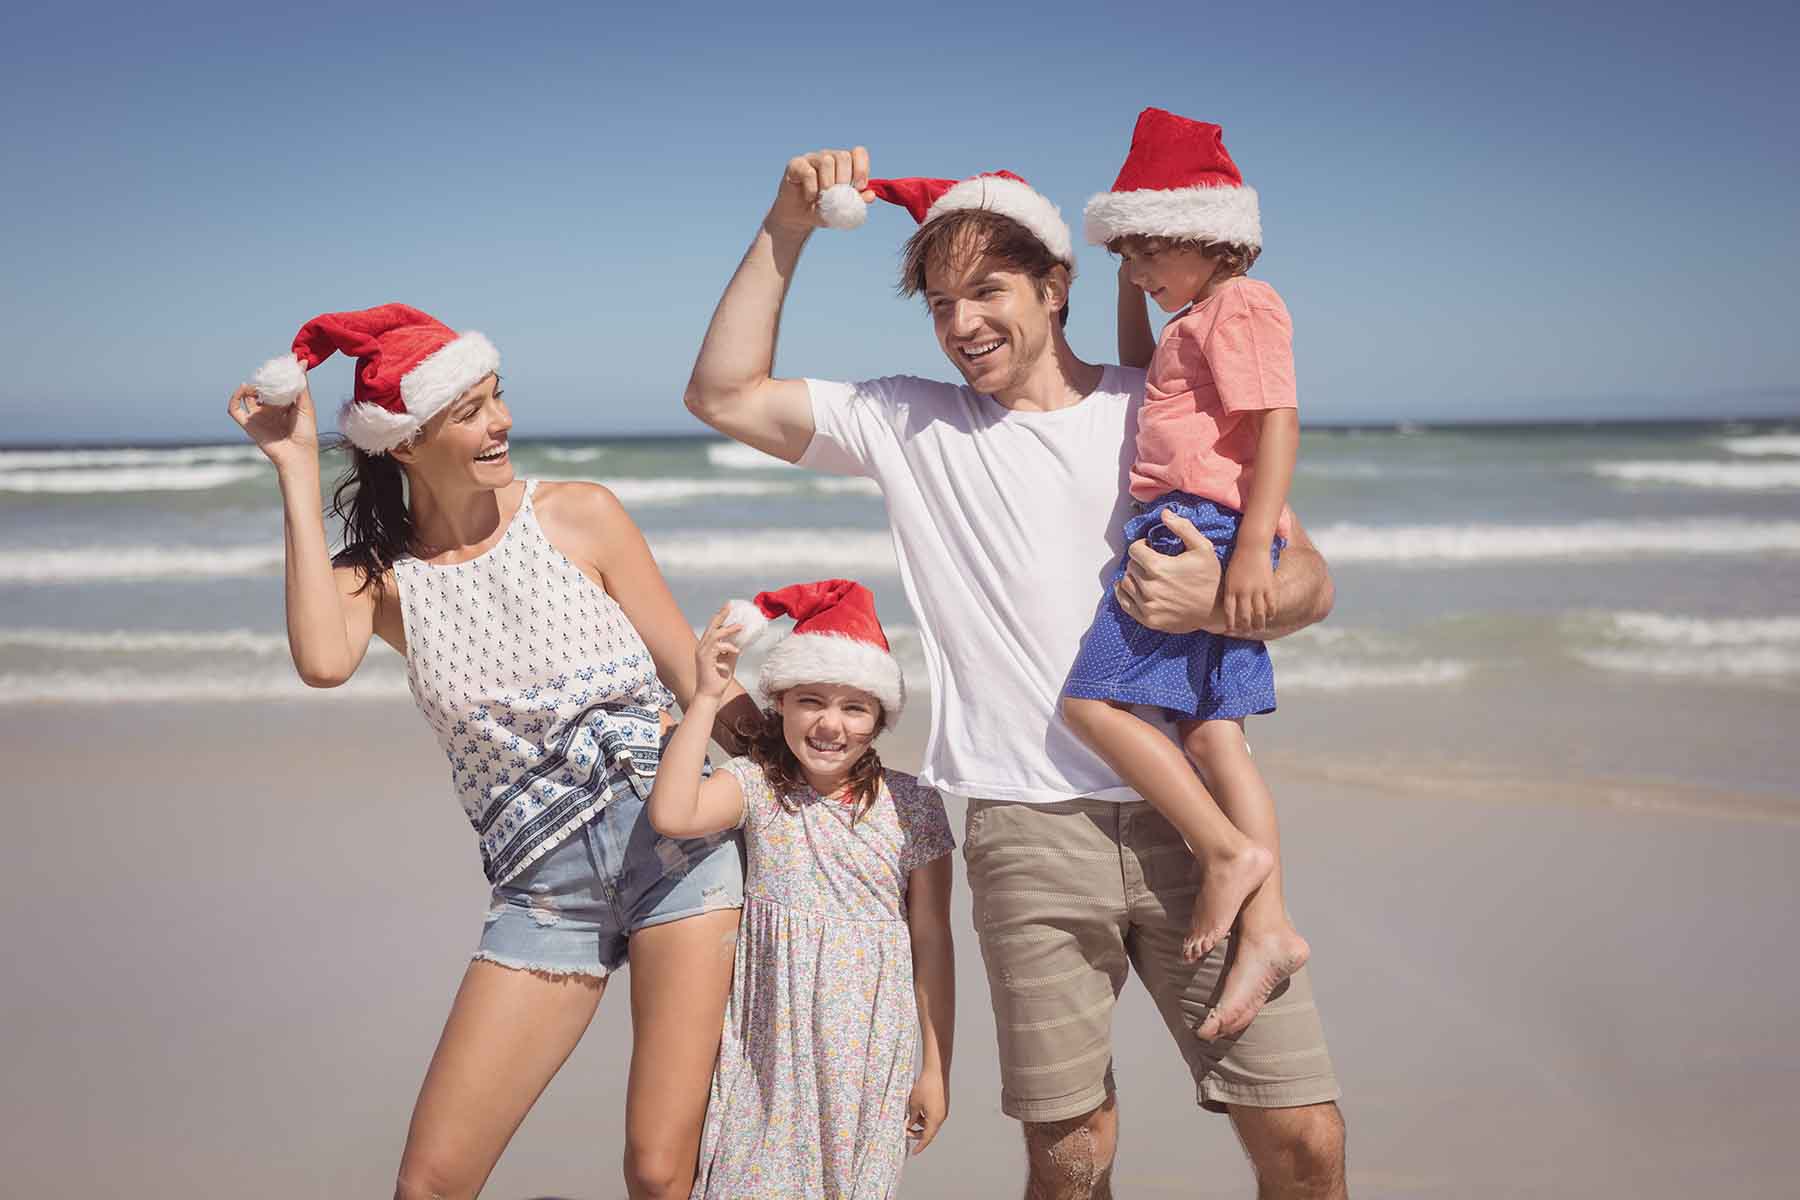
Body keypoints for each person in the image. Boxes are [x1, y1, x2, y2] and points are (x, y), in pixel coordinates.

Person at [683, 148, 1347, 1198]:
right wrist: (787, 225)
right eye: (941, 303)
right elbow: (721, 392)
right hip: (1024, 830)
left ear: (1056, 286)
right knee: (1071, 1159)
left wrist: (1215, 602)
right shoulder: (909, 421)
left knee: (1304, 1141)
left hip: (1198, 820)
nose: (962, 322)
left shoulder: (1159, 402)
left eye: (986, 289)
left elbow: (1306, 578)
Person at [227, 303, 748, 1200]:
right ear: (403, 441)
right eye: (468, 411)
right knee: (431, 1182)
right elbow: (320, 659)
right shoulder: (383, 579)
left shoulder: (581, 515)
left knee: (662, 1172)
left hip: (679, 846)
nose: (499, 422)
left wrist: (828, 769)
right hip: (543, 888)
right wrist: (293, 464)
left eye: (497, 398)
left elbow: (697, 681)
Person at [1061, 107, 1310, 1027]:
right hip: (1209, 518)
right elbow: (1145, 371)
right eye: (1126, 259)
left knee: (1091, 702)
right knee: (1211, 735)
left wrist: (1247, 550)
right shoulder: (1193, 316)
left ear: (1205, 241)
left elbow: (1277, 418)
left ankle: (1225, 854)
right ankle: (1272, 929)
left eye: (1146, 257)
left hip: (1197, 525)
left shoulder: (1243, 303)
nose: (1137, 273)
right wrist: (1125, 280)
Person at [646, 579, 955, 1199]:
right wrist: (706, 698)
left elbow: (932, 940)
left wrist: (936, 1069)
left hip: (868, 1045)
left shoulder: (914, 804)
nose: (829, 723)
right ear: (780, 703)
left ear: (880, 719)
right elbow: (673, 814)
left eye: (854, 708)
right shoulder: (756, 787)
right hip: (768, 1043)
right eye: (810, 701)